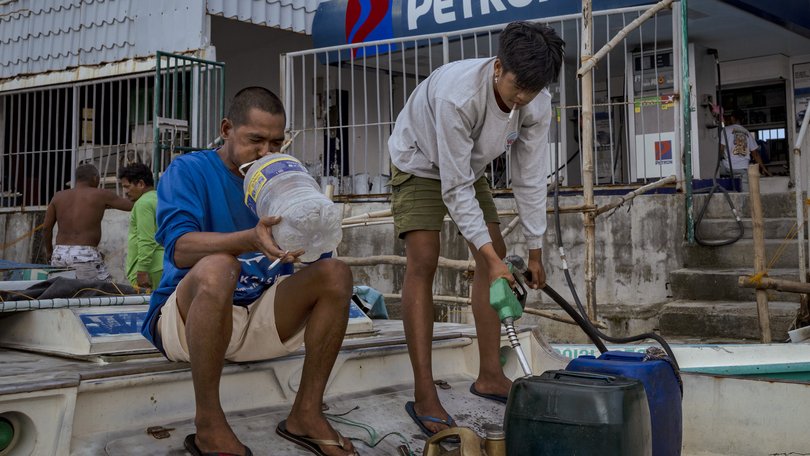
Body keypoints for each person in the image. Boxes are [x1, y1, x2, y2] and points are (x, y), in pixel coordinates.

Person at [140, 87, 357, 456]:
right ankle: (208, 424)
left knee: (336, 273)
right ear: (226, 129)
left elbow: (315, 261)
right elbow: (179, 249)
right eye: (254, 140)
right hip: (187, 319)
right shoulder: (189, 170)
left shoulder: (286, 180)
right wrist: (248, 239)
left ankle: (306, 413)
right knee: (219, 266)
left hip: (257, 315)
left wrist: (313, 238)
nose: (266, 153)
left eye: (276, 142)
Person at [387, 21, 564, 437]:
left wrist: (535, 250)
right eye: (517, 87)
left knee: (496, 256)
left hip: (467, 166)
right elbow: (454, 188)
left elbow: (530, 175)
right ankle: (424, 392)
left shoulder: (537, 102)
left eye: (532, 92)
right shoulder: (458, 96)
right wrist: (485, 255)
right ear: (498, 68)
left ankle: (489, 375)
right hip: (418, 159)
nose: (521, 99)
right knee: (424, 259)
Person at [42, 163, 133, 280]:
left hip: (59, 253)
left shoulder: (58, 196)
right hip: (84, 254)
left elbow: (46, 228)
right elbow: (132, 206)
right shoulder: (101, 194)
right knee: (92, 293)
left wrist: (49, 252)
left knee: (63, 293)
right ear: (95, 178)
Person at [118, 163, 164, 291]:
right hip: (164, 265)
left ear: (141, 184)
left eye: (127, 187)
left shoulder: (143, 203)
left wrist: (142, 271)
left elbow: (146, 240)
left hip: (150, 270)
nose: (125, 192)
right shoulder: (160, 198)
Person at [720, 108, 771, 191]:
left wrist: (721, 158)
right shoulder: (747, 133)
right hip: (742, 169)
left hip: (727, 167)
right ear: (743, 119)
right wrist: (764, 168)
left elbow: (721, 149)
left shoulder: (726, 130)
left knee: (711, 169)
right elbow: (755, 154)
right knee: (744, 195)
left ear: (732, 118)